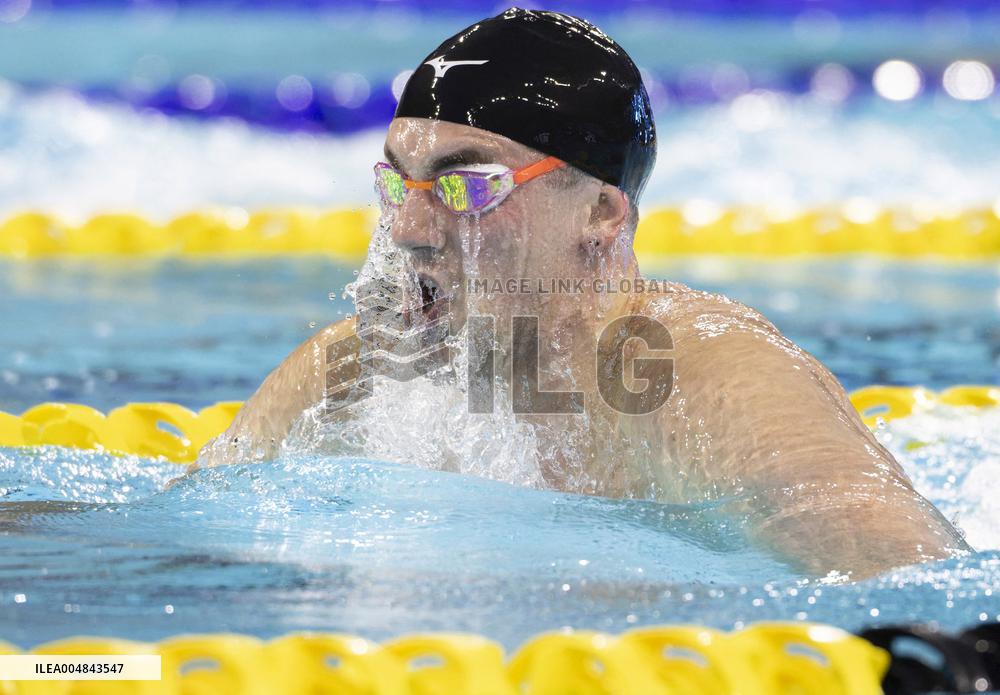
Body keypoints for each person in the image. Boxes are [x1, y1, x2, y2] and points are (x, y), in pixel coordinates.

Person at [195, 8, 969, 578]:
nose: (408, 230)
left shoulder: (695, 373)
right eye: (400, 182)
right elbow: (172, 534)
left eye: (468, 185)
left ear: (601, 212)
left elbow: (910, 577)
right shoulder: (360, 369)